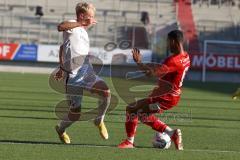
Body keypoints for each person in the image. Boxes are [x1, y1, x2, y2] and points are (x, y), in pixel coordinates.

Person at [118, 30, 190, 150]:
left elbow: (151, 74)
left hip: (164, 97)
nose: (167, 45)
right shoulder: (186, 56)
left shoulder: (173, 61)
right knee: (143, 115)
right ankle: (172, 134)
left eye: (168, 42)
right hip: (170, 96)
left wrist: (139, 62)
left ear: (173, 41)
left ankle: (129, 142)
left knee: (131, 109)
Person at [54, 2, 111, 144]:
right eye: (90, 17)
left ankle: (99, 120)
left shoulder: (82, 31)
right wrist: (62, 68)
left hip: (86, 72)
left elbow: (63, 48)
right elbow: (60, 27)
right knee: (75, 114)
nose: (92, 20)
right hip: (72, 77)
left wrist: (85, 25)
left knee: (106, 93)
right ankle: (61, 130)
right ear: (81, 15)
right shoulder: (73, 25)